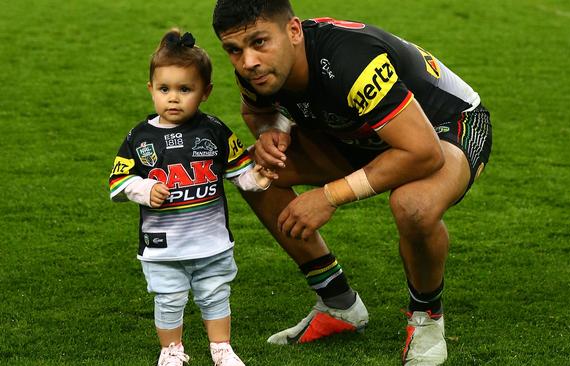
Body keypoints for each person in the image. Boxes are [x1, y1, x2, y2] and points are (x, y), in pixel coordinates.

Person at [212, 1, 492, 364]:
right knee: (254, 174)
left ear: (293, 31)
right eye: (234, 50)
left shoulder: (349, 60)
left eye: (259, 42)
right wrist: (269, 134)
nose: (247, 61)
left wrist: (328, 196)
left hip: (447, 125)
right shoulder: (258, 70)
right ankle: (338, 302)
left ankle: (427, 319)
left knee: (413, 206)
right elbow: (258, 111)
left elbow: (424, 153)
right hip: (359, 131)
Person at [109, 28, 274, 366]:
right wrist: (144, 189)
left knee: (216, 295)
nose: (173, 98)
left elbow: (239, 176)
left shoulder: (214, 130)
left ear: (205, 92)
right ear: (151, 89)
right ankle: (171, 351)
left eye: (185, 89)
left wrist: (259, 176)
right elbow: (118, 183)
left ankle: (222, 349)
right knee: (168, 299)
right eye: (164, 89)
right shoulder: (139, 137)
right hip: (162, 246)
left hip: (210, 242)